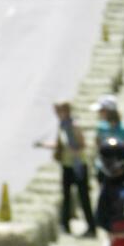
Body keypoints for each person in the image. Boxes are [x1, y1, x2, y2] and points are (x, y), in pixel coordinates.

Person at [38, 101, 96, 236]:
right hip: (66, 165)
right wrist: (44, 145)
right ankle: (65, 225)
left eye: (58, 111)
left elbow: (82, 145)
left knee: (83, 197)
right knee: (66, 197)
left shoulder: (74, 126)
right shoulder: (62, 126)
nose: (57, 114)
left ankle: (91, 226)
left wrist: (74, 149)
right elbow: (59, 146)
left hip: (78, 165)